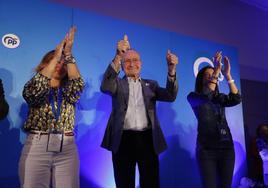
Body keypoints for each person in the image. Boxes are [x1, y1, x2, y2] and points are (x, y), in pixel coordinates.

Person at [100, 35, 179, 188]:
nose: (132, 64)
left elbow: (170, 96)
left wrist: (171, 71)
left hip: (148, 139)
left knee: (151, 183)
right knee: (124, 183)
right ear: (122, 65)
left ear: (141, 64)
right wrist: (118, 56)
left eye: (135, 60)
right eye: (127, 60)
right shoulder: (117, 83)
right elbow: (105, 86)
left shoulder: (152, 85)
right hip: (123, 139)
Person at [19, 27, 84, 188]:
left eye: (63, 63)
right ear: (44, 64)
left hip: (67, 147)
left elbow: (77, 86)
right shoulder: (36, 84)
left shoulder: (68, 90)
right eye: (55, 61)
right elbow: (33, 93)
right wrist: (56, 55)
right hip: (37, 146)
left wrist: (68, 55)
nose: (60, 64)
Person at [187, 51, 242, 188]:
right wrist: (217, 70)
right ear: (201, 79)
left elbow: (236, 99)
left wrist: (228, 75)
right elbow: (206, 95)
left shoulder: (219, 97)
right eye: (209, 75)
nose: (213, 76)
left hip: (227, 149)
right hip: (207, 150)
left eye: (214, 74)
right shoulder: (194, 96)